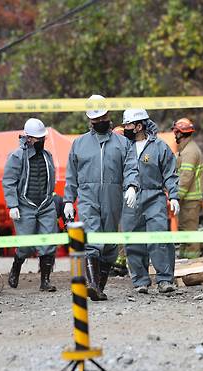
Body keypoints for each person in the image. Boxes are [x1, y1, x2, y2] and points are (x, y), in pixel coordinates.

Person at [63, 95, 140, 301]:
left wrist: (132, 186)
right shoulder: (79, 144)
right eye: (95, 120)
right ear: (90, 120)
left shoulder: (123, 143)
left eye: (101, 118)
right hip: (87, 196)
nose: (99, 122)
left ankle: (99, 287)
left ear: (108, 115)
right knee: (92, 237)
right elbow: (71, 174)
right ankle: (92, 284)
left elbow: (131, 167)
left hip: (113, 197)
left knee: (109, 244)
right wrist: (68, 200)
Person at [121, 109, 179, 294]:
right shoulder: (123, 146)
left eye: (128, 125)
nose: (126, 128)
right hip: (130, 199)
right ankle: (140, 281)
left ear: (139, 126)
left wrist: (174, 195)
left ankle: (164, 280)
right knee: (133, 239)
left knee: (159, 237)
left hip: (155, 197)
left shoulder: (159, 147)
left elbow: (170, 173)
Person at [3, 118, 58, 292]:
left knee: (48, 242)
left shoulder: (47, 155)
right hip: (25, 204)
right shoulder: (16, 156)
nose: (41, 141)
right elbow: (9, 181)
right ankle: (16, 268)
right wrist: (12, 205)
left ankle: (45, 280)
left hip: (45, 204)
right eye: (37, 138)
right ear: (28, 138)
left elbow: (50, 179)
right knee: (25, 245)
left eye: (43, 138)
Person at [172, 118, 203, 259]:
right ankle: (186, 260)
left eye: (176, 132)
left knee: (190, 233)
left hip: (190, 199)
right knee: (185, 231)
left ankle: (193, 263)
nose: (174, 135)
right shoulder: (186, 149)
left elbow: (185, 177)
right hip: (189, 198)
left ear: (181, 133)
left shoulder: (189, 152)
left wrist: (177, 196)